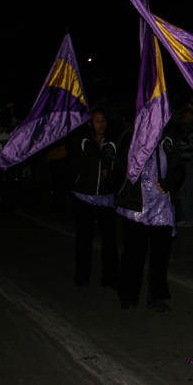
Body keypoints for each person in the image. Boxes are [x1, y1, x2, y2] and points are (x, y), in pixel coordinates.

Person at [115, 126, 185, 312]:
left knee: (160, 255)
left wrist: (169, 182)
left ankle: (157, 296)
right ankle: (128, 295)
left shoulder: (167, 143)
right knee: (134, 252)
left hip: (161, 208)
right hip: (136, 206)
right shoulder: (132, 138)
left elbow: (179, 168)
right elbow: (123, 162)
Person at [70, 109, 119, 288]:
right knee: (84, 238)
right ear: (90, 123)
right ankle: (82, 276)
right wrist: (94, 152)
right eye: (97, 121)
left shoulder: (112, 143)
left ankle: (110, 277)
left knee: (109, 240)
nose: (101, 124)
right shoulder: (82, 141)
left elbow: (121, 167)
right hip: (84, 196)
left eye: (103, 120)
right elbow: (74, 166)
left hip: (106, 197)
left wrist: (112, 174)